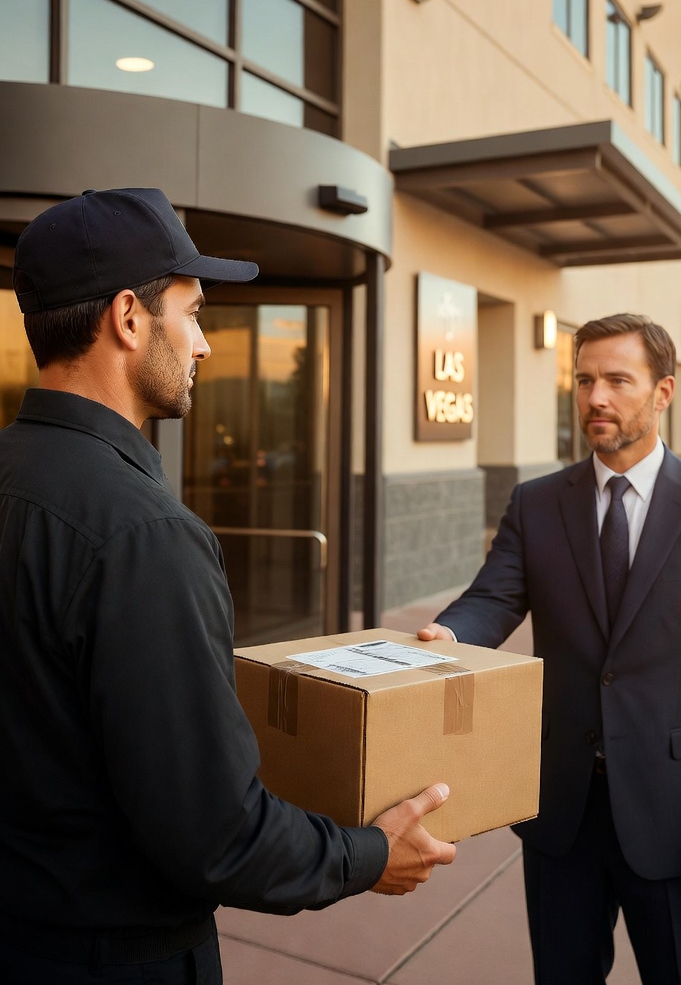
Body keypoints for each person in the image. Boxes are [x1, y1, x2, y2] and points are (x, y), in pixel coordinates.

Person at [0, 187, 456, 985]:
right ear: (129, 319)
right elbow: (216, 835)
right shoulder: (146, 536)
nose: (205, 344)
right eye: (193, 313)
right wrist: (370, 854)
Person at [419, 313, 681, 985]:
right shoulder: (536, 503)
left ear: (664, 391)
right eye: (584, 380)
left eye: (618, 380)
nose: (596, 397)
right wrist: (449, 635)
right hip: (561, 813)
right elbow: (492, 598)